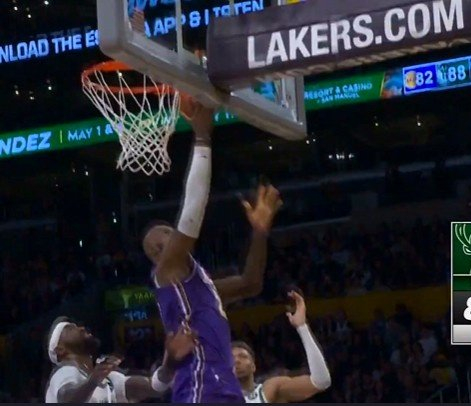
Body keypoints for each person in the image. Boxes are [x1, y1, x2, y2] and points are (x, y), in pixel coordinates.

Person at [142, 95, 283, 403]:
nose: (161, 248)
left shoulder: (200, 292)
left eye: (164, 239)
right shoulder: (167, 272)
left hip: (223, 390)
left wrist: (259, 233)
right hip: (200, 389)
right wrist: (203, 137)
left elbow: (250, 284)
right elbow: (192, 213)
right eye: (154, 249)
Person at [44, 316, 195, 403]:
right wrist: (92, 381)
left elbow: (154, 387)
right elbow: (66, 400)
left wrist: (170, 365)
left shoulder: (108, 379)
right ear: (60, 350)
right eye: (70, 329)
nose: (82, 328)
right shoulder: (63, 372)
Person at [232, 291, 331, 403]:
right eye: (231, 358)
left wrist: (302, 327)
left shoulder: (269, 390)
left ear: (254, 366)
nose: (237, 361)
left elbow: (321, 382)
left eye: (243, 356)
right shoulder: (216, 397)